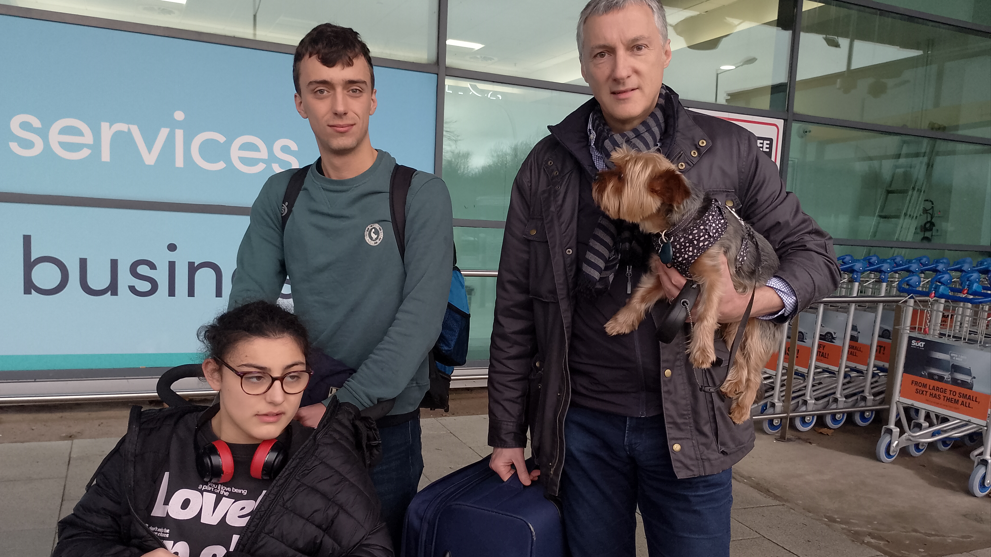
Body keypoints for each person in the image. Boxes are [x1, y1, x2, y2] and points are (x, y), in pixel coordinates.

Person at [486, 1, 840, 556]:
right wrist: (506, 432)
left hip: (692, 425)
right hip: (581, 426)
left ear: (666, 53)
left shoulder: (730, 150)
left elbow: (816, 255)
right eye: (602, 52)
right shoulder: (547, 166)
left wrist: (744, 303)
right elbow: (513, 306)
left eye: (637, 47)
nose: (620, 68)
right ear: (584, 65)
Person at [226, 23, 453, 550]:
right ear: (301, 103)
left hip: (383, 427)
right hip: (298, 417)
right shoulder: (281, 193)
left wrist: (343, 405)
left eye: (354, 88)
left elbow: (420, 318)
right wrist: (258, 387)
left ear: (373, 99)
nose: (339, 106)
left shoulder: (419, 194)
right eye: (321, 90)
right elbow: (249, 308)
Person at [53, 301, 392, 557]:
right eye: (255, 377)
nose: (278, 397)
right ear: (214, 374)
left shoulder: (329, 464)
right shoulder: (152, 443)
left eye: (292, 377)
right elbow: (79, 538)